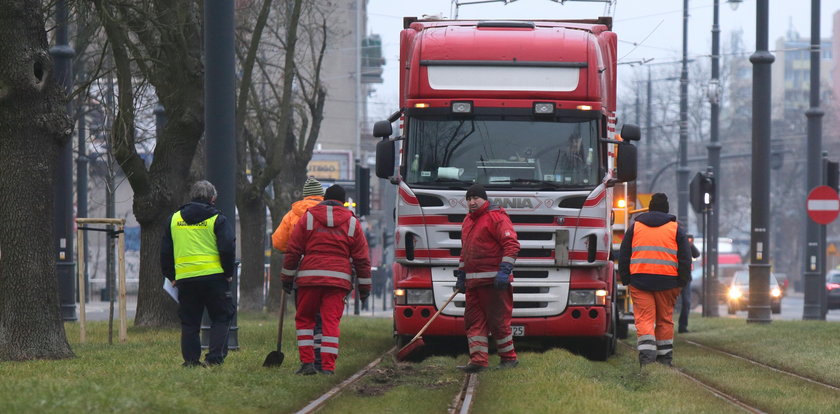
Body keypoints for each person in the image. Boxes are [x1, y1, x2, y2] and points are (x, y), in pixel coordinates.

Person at [281, 184, 371, 375]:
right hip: (338, 282)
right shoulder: (353, 223)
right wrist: (364, 289)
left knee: (305, 319)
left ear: (324, 199)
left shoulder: (309, 217)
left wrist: (287, 279)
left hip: (309, 279)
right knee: (330, 322)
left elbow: (293, 250)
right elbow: (362, 259)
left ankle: (307, 363)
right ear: (343, 201)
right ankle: (327, 367)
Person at [161, 180, 236, 367]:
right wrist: (228, 272)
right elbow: (227, 247)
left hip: (185, 279)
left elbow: (165, 251)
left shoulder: (174, 219)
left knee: (189, 322)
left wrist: (171, 276)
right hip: (214, 278)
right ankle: (214, 359)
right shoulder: (218, 219)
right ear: (212, 198)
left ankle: (191, 361)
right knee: (221, 316)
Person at [618, 193, 692, 367]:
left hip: (639, 281)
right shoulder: (675, 229)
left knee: (644, 320)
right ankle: (665, 360)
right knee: (665, 320)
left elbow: (624, 255)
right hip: (668, 282)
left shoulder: (635, 227)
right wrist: (682, 281)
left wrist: (626, 279)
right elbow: (685, 258)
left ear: (649, 208)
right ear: (667, 210)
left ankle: (647, 359)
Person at [454, 184, 520, 373]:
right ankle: (478, 361)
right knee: (473, 322)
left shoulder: (496, 217)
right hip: (474, 284)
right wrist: (461, 275)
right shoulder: (468, 220)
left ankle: (509, 359)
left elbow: (512, 245)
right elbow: (465, 252)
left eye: (476, 198)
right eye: (469, 199)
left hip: (494, 283)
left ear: (485, 199)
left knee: (498, 322)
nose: (472, 202)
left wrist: (504, 271)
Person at [271, 176, 325, 369]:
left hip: (300, 271)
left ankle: (307, 360)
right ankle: (321, 358)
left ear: (305, 196)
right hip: (325, 269)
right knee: (322, 317)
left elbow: (278, 242)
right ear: (321, 196)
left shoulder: (292, 214)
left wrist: (290, 249)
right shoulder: (326, 213)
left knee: (305, 315)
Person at [677, 235, 702, 333]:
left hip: (685, 278)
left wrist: (690, 245)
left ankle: (682, 326)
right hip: (673, 277)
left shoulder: (686, 244)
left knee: (686, 302)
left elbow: (696, 254)